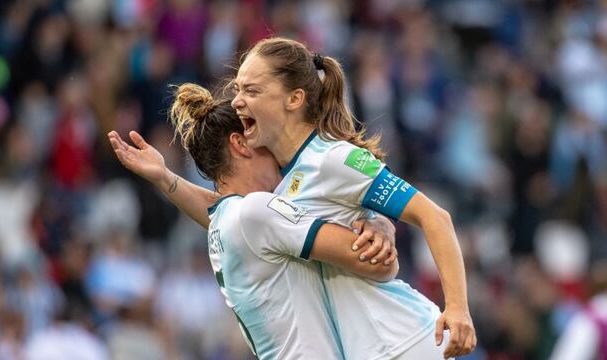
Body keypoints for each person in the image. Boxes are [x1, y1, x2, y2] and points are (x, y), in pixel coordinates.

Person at [229, 37, 476, 359]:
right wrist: (166, 179)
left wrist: (457, 309)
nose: (236, 101)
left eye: (252, 90)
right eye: (236, 89)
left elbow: (435, 217)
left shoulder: (333, 158)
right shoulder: (280, 177)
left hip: (403, 341)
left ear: (294, 99)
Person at [108, 88, 399, 359]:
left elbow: (213, 206)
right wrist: (377, 221)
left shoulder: (226, 218)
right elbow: (377, 262)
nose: (277, 149)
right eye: (264, 137)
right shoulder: (255, 212)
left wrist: (164, 177)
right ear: (240, 144)